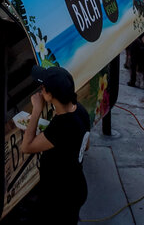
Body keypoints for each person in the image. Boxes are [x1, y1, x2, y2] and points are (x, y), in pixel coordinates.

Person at [19, 65, 91, 225]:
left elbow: (26, 147)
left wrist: (37, 110)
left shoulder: (62, 126)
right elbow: (86, 145)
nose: (40, 91)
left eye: (43, 88)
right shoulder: (80, 110)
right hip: (77, 187)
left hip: (60, 197)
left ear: (50, 95)